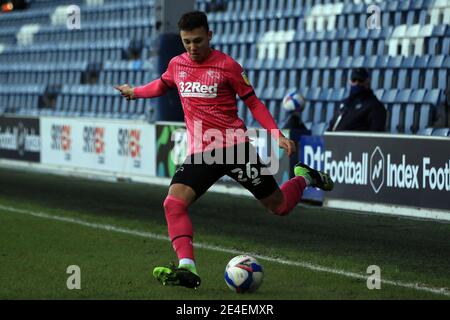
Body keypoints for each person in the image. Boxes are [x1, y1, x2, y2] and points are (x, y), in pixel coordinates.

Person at [114, 11, 334, 289]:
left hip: (235, 149)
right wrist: (136, 92)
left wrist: (276, 134)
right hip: (202, 153)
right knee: (172, 204)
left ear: (210, 36)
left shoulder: (228, 66)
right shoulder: (177, 64)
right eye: (186, 42)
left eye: (197, 41)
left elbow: (253, 103)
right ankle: (187, 268)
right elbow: (163, 84)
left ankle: (305, 178)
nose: (192, 48)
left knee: (279, 207)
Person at [328, 68, 386, 132]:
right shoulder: (343, 104)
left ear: (367, 82)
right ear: (350, 82)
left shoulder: (375, 106)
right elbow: (331, 127)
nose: (357, 83)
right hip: (336, 141)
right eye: (354, 80)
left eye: (360, 80)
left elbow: (375, 135)